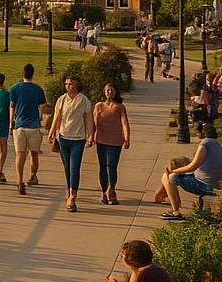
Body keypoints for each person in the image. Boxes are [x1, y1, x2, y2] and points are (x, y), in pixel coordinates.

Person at [160, 122, 222, 220]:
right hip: (215, 183)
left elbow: (193, 166)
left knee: (168, 177)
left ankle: (175, 211)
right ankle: (164, 198)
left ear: (201, 134)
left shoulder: (203, 145)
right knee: (175, 175)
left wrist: (175, 170)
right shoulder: (217, 144)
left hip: (204, 185)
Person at [47, 75, 94, 212]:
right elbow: (57, 116)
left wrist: (90, 135)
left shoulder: (83, 100)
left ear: (77, 85)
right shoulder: (62, 100)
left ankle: (73, 196)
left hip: (78, 139)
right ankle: (69, 190)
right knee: (67, 167)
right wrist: (51, 133)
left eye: (71, 84)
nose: (69, 86)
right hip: (63, 137)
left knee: (74, 167)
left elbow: (88, 119)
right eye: (66, 84)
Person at [8, 65, 47, 196]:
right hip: (33, 126)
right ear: (33, 74)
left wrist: (11, 122)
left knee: (20, 154)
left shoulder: (14, 88)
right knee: (34, 154)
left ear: (22, 73)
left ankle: (19, 181)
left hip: (20, 125)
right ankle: (33, 175)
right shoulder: (38, 89)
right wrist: (40, 118)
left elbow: (12, 106)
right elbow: (41, 107)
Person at [92, 84, 131, 205]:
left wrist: (127, 137)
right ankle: (104, 191)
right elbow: (93, 123)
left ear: (115, 92)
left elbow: (124, 122)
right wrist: (90, 136)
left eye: (111, 90)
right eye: (107, 90)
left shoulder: (120, 107)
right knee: (103, 166)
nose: (109, 92)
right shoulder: (99, 106)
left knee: (112, 166)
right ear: (104, 92)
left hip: (115, 141)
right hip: (101, 140)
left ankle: (111, 189)